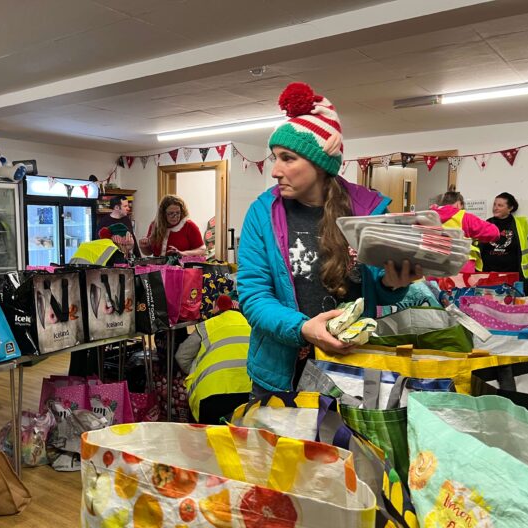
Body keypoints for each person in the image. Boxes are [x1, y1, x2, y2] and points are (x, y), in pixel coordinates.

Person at [238, 82, 421, 395]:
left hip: (352, 369)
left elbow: (379, 294)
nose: (275, 171)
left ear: (321, 165)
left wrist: (394, 283)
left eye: (288, 158)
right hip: (282, 373)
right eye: (275, 158)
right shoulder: (262, 213)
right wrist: (303, 329)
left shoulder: (367, 211)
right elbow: (254, 296)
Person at [175, 295, 251, 424]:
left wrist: (198, 370)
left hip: (211, 394)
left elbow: (182, 356)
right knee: (241, 441)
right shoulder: (252, 325)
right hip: (250, 393)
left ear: (217, 308)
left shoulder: (207, 326)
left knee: (211, 441)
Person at [431, 191, 500, 273]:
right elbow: (494, 232)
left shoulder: (428, 216)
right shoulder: (464, 218)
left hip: (433, 264)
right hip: (461, 267)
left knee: (433, 285)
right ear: (458, 204)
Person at [479, 192, 528, 278]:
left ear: (510, 208)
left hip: (514, 276)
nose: (495, 208)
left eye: (500, 205)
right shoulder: (486, 224)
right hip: (489, 275)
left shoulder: (521, 225)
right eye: (494, 205)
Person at [139, 196, 206, 257]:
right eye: (171, 213)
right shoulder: (155, 225)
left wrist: (182, 253)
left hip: (182, 268)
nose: (175, 217)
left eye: (178, 213)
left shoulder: (189, 226)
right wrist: (144, 247)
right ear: (163, 214)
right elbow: (149, 252)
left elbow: (202, 250)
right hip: (158, 267)